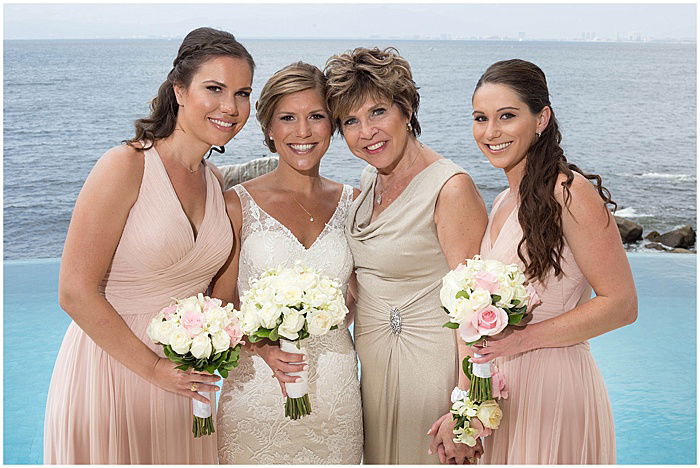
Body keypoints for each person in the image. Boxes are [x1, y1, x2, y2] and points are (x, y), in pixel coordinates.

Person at [43, 27, 254, 464]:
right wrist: (155, 369)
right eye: (214, 89)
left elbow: (220, 298)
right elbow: (74, 291)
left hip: (185, 381)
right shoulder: (125, 165)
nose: (230, 108)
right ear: (179, 89)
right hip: (113, 370)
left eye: (242, 93)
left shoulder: (215, 183)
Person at [457, 59, 637, 463]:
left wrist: (521, 340)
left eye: (507, 116)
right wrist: (467, 407)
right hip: (503, 391)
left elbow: (622, 304)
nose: (491, 132)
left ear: (542, 118)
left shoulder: (569, 193)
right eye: (480, 118)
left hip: (553, 385)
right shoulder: (503, 200)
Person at [324, 47, 488, 464]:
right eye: (351, 121)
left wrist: (466, 411)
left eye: (377, 112)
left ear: (407, 108)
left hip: (432, 369)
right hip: (373, 366)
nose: (366, 133)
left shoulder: (451, 188)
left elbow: (476, 312)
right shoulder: (368, 179)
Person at [212, 62, 363, 464]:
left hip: (336, 385)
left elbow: (366, 294)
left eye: (316, 117)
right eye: (287, 118)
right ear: (269, 129)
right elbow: (222, 303)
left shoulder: (356, 202)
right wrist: (262, 347)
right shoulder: (236, 204)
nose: (302, 132)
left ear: (331, 125)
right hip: (258, 387)